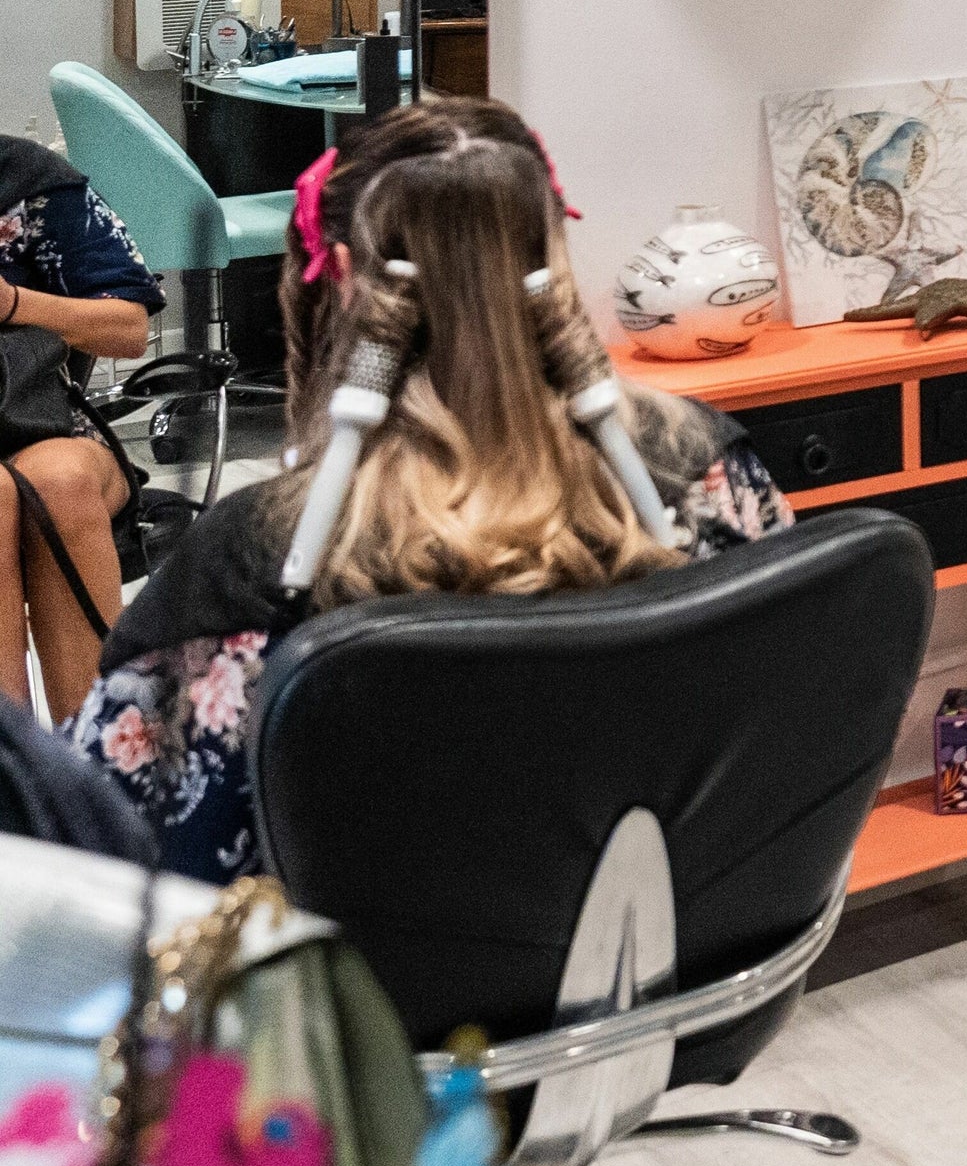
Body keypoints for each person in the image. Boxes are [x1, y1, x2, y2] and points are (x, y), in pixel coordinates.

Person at [70, 97, 791, 881]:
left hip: (370, 1004)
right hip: (669, 974)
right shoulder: (712, 476)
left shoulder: (257, 570)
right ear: (550, 250)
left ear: (342, 277)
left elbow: (115, 865)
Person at [0, 134, 159, 719]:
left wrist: (14, 304)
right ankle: (16, 781)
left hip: (43, 420)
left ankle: (95, 763)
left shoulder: (30, 181)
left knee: (60, 483)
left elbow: (128, 327)